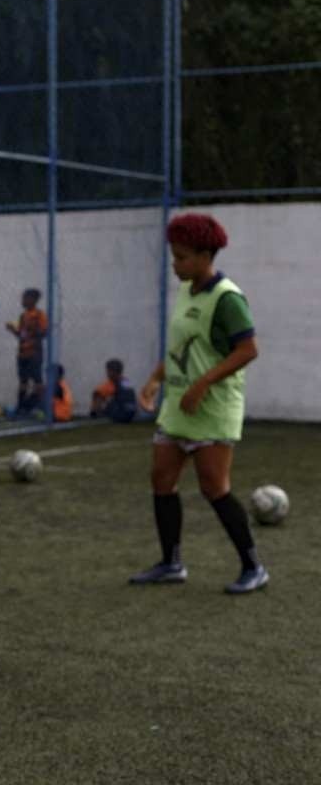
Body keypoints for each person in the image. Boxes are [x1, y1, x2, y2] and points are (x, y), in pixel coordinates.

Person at [130, 213, 266, 595]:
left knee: (214, 488)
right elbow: (179, 349)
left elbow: (248, 350)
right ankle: (171, 563)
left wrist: (202, 384)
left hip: (212, 406)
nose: (176, 265)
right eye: (174, 257)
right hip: (178, 406)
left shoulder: (228, 299)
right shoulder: (186, 290)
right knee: (161, 480)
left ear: (207, 255)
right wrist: (155, 379)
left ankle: (254, 567)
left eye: (183, 258)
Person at [5, 287, 48, 416]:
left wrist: (32, 332)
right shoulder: (23, 316)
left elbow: (44, 332)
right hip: (22, 353)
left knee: (37, 381)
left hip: (34, 353)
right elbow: (22, 336)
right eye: (22, 298)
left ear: (33, 300)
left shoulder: (40, 315)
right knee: (23, 381)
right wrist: (13, 330)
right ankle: (21, 407)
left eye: (25, 298)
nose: (22, 301)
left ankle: (41, 407)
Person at [90, 358, 138, 423]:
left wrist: (94, 410)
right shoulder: (126, 381)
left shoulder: (112, 383)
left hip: (121, 415)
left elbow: (98, 393)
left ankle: (95, 414)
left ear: (112, 372)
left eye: (108, 371)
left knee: (98, 394)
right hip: (131, 414)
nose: (106, 374)